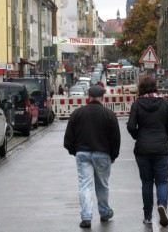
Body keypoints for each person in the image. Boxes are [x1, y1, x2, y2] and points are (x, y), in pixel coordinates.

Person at [64, 85, 121, 229]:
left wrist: (74, 151)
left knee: (85, 186)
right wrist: (113, 155)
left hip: (83, 154)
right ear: (103, 97)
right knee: (102, 185)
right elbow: (116, 138)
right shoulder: (109, 115)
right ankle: (104, 212)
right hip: (103, 153)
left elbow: (68, 139)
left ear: (88, 97)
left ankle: (86, 217)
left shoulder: (77, 113)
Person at [126, 76, 168, 227]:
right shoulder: (164, 103)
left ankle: (147, 216)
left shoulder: (137, 104)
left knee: (146, 182)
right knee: (162, 181)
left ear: (140, 89)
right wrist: (165, 137)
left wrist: (138, 137)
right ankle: (162, 206)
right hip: (161, 148)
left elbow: (131, 126)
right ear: (155, 87)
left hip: (143, 149)